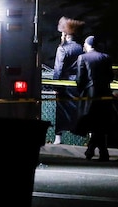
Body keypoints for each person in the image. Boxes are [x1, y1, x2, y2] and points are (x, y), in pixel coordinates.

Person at [74, 35, 115, 161]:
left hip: (90, 95)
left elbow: (80, 78)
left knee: (94, 123)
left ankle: (91, 150)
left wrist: (81, 91)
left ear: (87, 45)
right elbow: (110, 76)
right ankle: (102, 152)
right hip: (105, 94)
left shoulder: (83, 57)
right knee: (101, 123)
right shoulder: (106, 57)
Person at [51, 16, 84, 145]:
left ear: (66, 34)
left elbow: (58, 68)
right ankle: (85, 134)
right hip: (77, 83)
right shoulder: (80, 48)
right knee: (79, 109)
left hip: (64, 85)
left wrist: (55, 86)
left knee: (61, 111)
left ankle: (58, 137)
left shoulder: (62, 49)